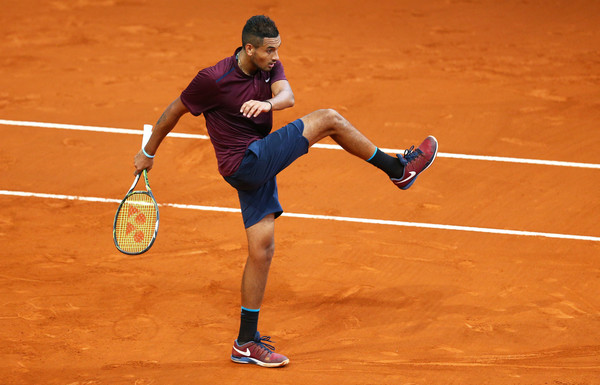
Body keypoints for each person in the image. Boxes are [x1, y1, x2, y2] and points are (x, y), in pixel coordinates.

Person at [133, 15, 438, 368]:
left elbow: (288, 96)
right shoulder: (213, 79)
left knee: (262, 249)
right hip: (246, 162)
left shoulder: (269, 65)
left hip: (256, 160)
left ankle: (245, 342)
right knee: (329, 119)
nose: (276, 56)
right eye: (268, 50)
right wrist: (147, 153)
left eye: (277, 49)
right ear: (249, 49)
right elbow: (173, 112)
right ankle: (399, 170)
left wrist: (269, 105)